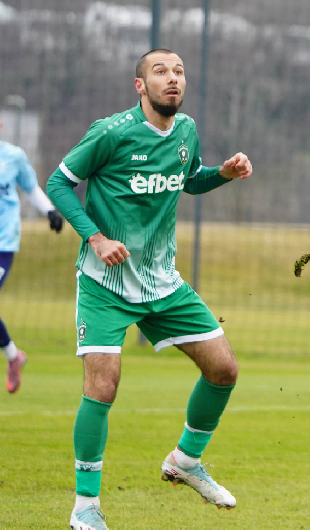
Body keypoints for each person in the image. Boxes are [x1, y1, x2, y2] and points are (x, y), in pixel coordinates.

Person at [46, 49, 253, 530]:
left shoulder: (187, 130)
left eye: (179, 71)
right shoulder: (111, 133)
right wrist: (95, 238)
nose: (172, 79)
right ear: (140, 85)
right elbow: (58, 183)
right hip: (105, 284)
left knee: (223, 369)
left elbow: (189, 181)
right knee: (103, 385)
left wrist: (222, 174)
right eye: (160, 72)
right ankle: (85, 507)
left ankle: (185, 461)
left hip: (162, 281)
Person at [0, 115, 65, 393]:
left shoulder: (13, 156)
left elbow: (30, 188)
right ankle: (14, 356)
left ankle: (14, 357)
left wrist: (49, 211)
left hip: (3, 242)